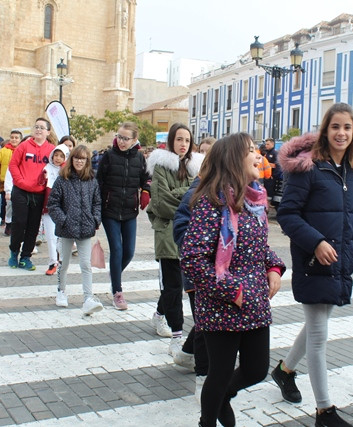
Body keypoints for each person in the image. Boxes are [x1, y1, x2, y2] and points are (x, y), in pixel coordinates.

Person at [179, 133, 285, 427]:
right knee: (220, 373)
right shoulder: (211, 202)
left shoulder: (255, 200)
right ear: (233, 158)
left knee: (256, 370)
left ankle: (223, 397)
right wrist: (230, 290)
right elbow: (192, 258)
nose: (257, 155)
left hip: (254, 303)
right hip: (221, 306)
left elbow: (259, 247)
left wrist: (274, 268)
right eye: (250, 150)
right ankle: (207, 421)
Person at [274, 102, 353, 427]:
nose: (341, 133)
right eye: (335, 126)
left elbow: (351, 217)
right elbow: (287, 214)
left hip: (339, 263)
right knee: (319, 334)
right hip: (314, 260)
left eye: (347, 127)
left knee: (317, 324)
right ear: (325, 130)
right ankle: (324, 411)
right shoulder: (308, 167)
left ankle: (284, 371)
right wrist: (317, 242)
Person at [147, 123, 204, 354]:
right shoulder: (161, 165)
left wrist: (179, 194)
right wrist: (188, 195)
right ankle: (177, 337)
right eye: (179, 139)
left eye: (187, 140)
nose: (183, 144)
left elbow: (200, 199)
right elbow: (160, 202)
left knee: (185, 287)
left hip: (190, 235)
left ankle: (159, 314)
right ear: (171, 141)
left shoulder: (195, 168)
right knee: (172, 286)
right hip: (166, 233)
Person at [97, 122, 150, 310]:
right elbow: (98, 183)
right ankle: (117, 292)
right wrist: (96, 209)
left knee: (129, 251)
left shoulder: (139, 158)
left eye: (125, 138)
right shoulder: (108, 156)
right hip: (109, 210)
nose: (121, 141)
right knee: (117, 249)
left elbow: (146, 178)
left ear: (134, 140)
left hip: (130, 211)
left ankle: (115, 275)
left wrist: (146, 191)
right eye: (119, 137)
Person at [47, 145, 103, 315]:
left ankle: (88, 297)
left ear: (87, 161)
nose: (79, 161)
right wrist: (63, 220)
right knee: (64, 263)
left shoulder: (91, 181)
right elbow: (53, 204)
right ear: (71, 160)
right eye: (76, 158)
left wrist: (95, 219)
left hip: (85, 227)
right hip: (66, 228)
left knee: (86, 264)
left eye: (83, 158)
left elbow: (97, 203)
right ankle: (61, 291)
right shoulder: (62, 180)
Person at [7, 118, 55, 270]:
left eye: (42, 127)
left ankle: (25, 257)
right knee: (19, 223)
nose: (39, 130)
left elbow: (58, 167)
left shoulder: (52, 150)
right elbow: (13, 164)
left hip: (39, 193)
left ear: (48, 131)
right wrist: (20, 181)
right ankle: (14, 252)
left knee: (34, 227)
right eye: (36, 127)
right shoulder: (24, 145)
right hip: (21, 190)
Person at [40, 143, 69, 276]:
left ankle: (62, 260)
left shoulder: (68, 171)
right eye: (56, 155)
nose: (57, 158)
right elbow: (41, 182)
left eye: (61, 156)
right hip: (48, 206)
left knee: (61, 237)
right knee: (51, 236)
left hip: (63, 207)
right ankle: (53, 262)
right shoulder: (47, 168)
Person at [0, 130, 23, 232]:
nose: (14, 139)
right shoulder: (4, 150)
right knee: (7, 203)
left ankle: (16, 222)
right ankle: (7, 221)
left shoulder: (23, 150)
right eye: (12, 137)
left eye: (16, 138)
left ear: (20, 140)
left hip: (19, 181)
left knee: (17, 204)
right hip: (6, 181)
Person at [262, 137, 280, 204]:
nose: (266, 146)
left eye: (268, 144)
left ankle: (269, 203)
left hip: (271, 177)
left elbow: (278, 166)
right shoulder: (266, 154)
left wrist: (273, 175)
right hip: (266, 177)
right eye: (266, 144)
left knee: (270, 192)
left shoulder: (275, 153)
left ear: (272, 144)